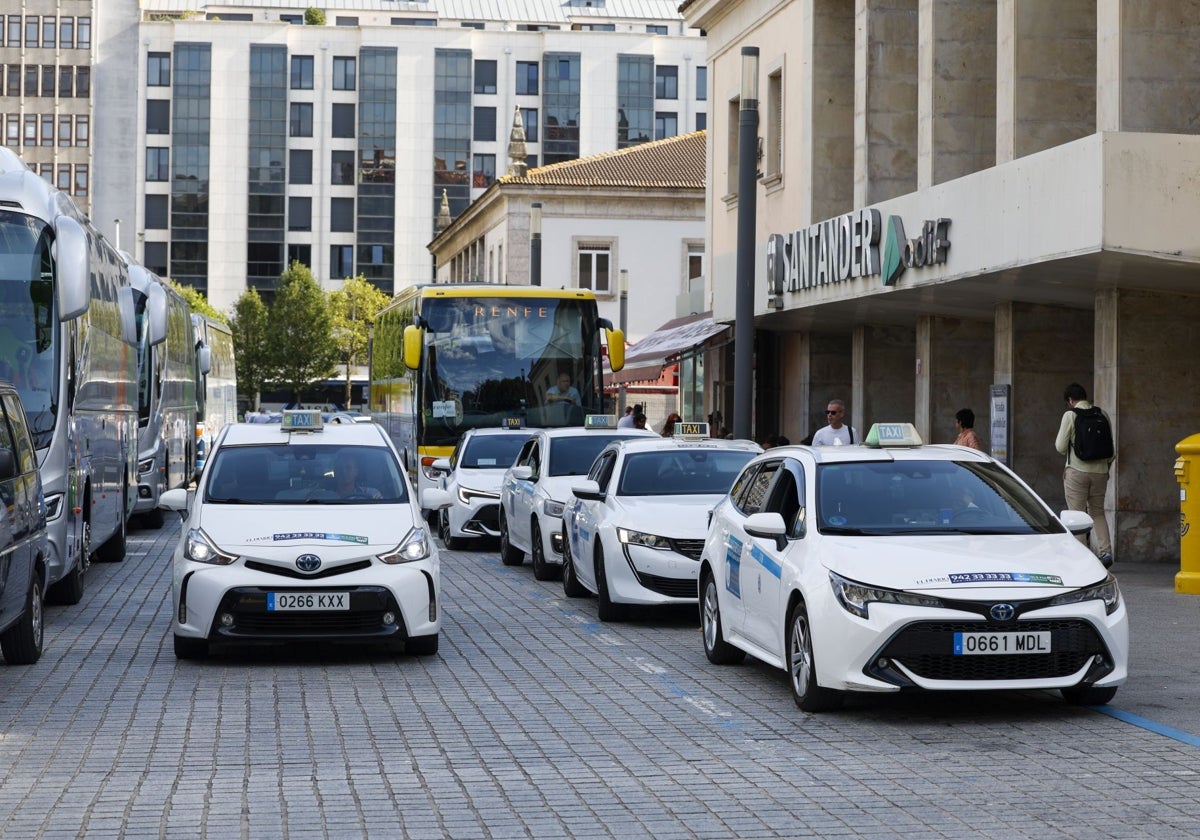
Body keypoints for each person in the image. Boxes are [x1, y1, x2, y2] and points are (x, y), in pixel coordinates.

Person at [1055, 382, 1114, 566]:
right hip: (1100, 473)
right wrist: (1105, 469)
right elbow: (1110, 450)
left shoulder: (1070, 415)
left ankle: (1082, 557)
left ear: (1070, 400)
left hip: (1077, 473)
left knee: (1076, 515)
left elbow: (1060, 447)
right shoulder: (1102, 414)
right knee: (1097, 512)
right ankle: (1105, 552)